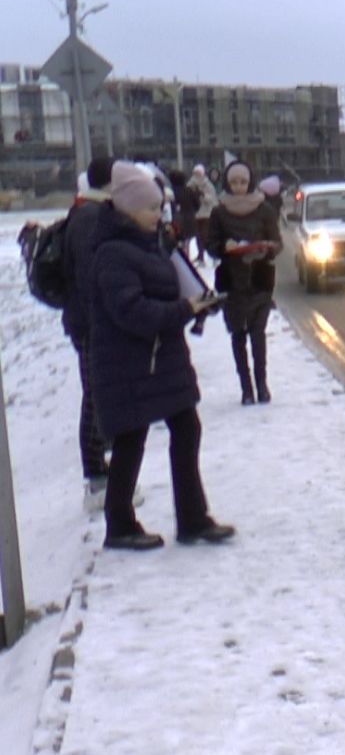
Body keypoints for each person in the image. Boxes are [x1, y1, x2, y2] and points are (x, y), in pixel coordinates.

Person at [90, 161, 234, 550]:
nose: (160, 214)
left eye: (159, 207)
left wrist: (198, 301)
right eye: (151, 208)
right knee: (130, 439)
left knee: (186, 428)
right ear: (127, 209)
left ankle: (192, 519)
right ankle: (119, 525)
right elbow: (132, 313)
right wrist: (185, 309)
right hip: (129, 364)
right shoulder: (113, 254)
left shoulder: (149, 243)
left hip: (160, 359)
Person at [206, 161, 283, 405]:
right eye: (234, 183)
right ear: (227, 184)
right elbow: (210, 245)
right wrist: (223, 247)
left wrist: (266, 249)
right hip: (232, 281)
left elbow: (277, 242)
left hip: (260, 280)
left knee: (258, 335)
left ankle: (262, 385)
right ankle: (246, 388)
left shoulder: (264, 209)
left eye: (243, 182)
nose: (239, 187)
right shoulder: (219, 212)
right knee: (238, 335)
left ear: (250, 182)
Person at [62, 156, 114, 510]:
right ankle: (96, 481)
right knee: (95, 397)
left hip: (85, 321)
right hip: (91, 324)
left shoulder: (85, 213)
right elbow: (88, 278)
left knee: (96, 395)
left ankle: (99, 472)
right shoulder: (90, 219)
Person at [187, 164, 218, 265]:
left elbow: (213, 200)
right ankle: (200, 256)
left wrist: (202, 195)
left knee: (205, 236)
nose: (197, 175)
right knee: (198, 236)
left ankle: (212, 256)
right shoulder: (190, 185)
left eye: (199, 173)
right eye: (195, 173)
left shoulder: (208, 185)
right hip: (195, 214)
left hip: (206, 214)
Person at [167, 169, 202, 259]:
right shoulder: (189, 191)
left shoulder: (170, 192)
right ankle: (186, 258)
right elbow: (197, 204)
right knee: (186, 241)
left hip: (175, 220)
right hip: (189, 219)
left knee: (176, 241)